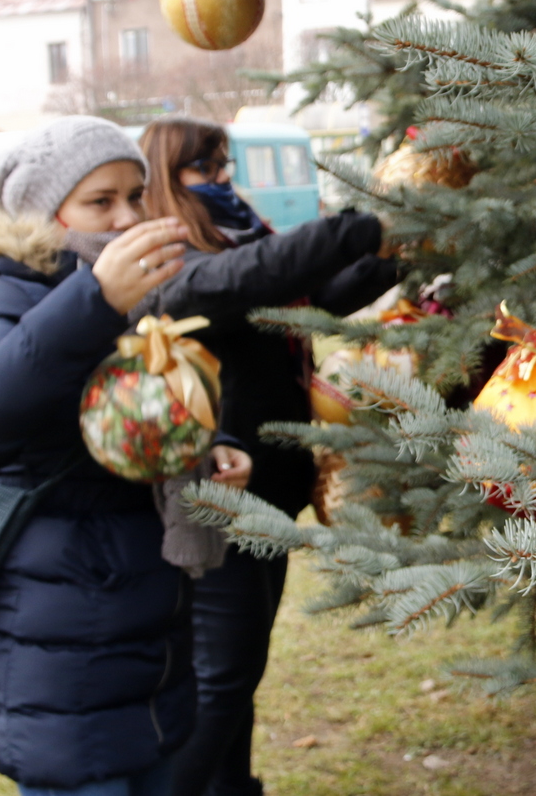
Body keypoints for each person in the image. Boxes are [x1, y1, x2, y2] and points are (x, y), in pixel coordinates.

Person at [0, 116, 253, 796]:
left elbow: (122, 417)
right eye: (99, 200)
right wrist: (96, 299)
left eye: (135, 195)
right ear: (45, 213)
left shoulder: (115, 284)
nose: (126, 216)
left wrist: (207, 449)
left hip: (148, 630)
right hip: (66, 641)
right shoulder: (0, 284)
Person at [134, 117, 400, 796]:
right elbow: (253, 279)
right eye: (206, 168)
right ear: (168, 177)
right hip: (221, 493)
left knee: (236, 674)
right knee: (221, 679)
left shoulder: (238, 237)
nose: (223, 178)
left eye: (225, 164)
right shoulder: (180, 264)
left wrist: (399, 259)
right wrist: (362, 225)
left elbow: (309, 300)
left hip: (271, 487)